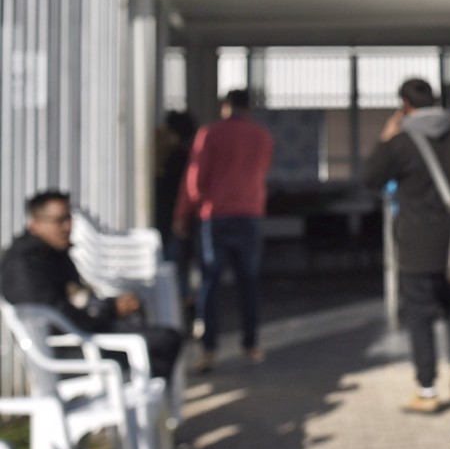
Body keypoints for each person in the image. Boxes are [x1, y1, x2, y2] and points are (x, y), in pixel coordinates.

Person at [364, 78, 450, 413]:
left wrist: (386, 137)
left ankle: (427, 390)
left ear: (405, 105)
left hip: (416, 245)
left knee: (420, 316)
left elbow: (370, 179)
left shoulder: (400, 143)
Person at [1, 191, 183, 383]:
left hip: (79, 340)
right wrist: (111, 311)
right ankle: (139, 402)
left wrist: (112, 306)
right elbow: (64, 319)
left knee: (158, 335)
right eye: (59, 220)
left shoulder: (50, 253)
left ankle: (142, 400)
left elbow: (77, 299)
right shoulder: (27, 265)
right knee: (162, 342)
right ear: (36, 224)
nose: (67, 227)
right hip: (69, 354)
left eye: (69, 218)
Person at [176, 89, 274, 373]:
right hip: (250, 215)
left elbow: (194, 180)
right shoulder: (262, 137)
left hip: (215, 217)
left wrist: (183, 213)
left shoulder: (209, 134)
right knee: (248, 282)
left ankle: (208, 350)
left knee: (210, 282)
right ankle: (251, 344)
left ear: (225, 106)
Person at [154, 110, 198, 323]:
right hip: (182, 220)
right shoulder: (190, 155)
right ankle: (185, 309)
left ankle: (181, 312)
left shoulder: (176, 158)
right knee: (180, 268)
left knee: (173, 269)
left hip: (171, 221)